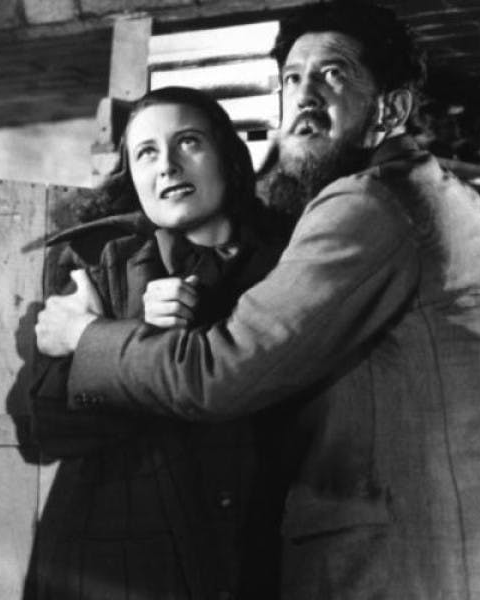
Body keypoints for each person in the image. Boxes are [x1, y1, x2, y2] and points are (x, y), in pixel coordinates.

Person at [36, 2, 480, 598]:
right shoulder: (452, 197)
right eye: (292, 78)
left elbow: (218, 375)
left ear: (391, 109)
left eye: (333, 74)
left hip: (396, 574)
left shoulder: (364, 206)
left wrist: (85, 336)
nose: (305, 95)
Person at [28, 86, 289, 600]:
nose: (167, 165)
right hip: (120, 562)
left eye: (188, 142)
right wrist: (135, 331)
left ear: (228, 157)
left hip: (257, 549)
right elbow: (53, 429)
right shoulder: (95, 261)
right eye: (146, 152)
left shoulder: (290, 263)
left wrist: (99, 346)